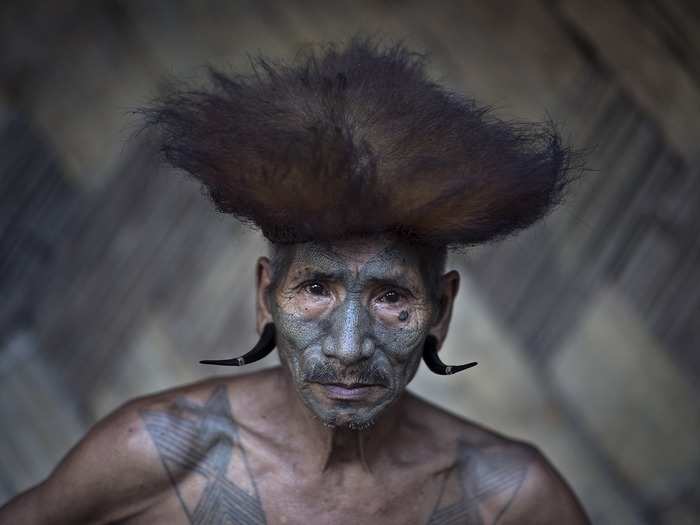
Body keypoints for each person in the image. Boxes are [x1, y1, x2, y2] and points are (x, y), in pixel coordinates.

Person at [0, 37, 589, 524]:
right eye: (315, 290)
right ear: (265, 297)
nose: (348, 347)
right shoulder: (156, 455)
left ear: (441, 309)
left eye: (391, 298)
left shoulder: (513, 499)